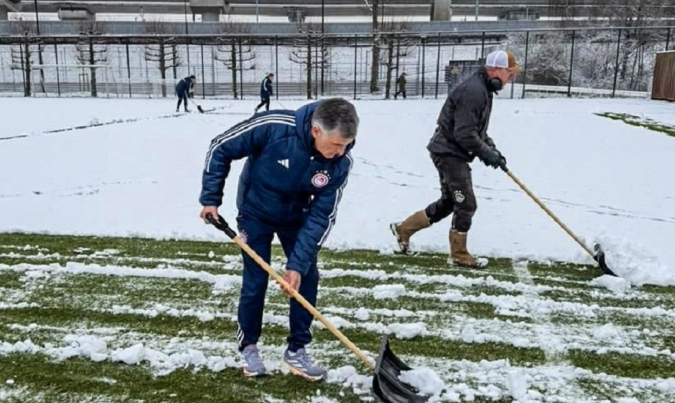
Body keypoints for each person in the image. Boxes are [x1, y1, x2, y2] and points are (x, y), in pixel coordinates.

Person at [199, 98, 359, 381]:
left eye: (347, 144)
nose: (341, 152)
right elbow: (220, 148)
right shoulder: (274, 127)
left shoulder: (339, 163)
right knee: (256, 279)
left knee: (306, 277)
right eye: (336, 145)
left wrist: (296, 265)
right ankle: (249, 346)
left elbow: (322, 216)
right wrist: (211, 199)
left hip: (297, 216)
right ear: (315, 131)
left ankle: (296, 351)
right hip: (254, 213)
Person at [390, 50, 522, 267]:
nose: (512, 78)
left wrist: (492, 150)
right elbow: (464, 134)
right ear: (496, 71)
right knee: (466, 203)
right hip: (449, 153)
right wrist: (486, 154)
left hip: (452, 151)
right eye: (510, 73)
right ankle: (459, 254)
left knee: (450, 202)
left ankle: (404, 229)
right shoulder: (475, 92)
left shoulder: (484, 89)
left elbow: (476, 131)